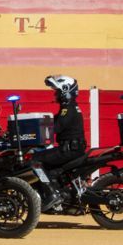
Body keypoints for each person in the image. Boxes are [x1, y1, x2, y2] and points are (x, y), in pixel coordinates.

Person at [31, 75, 88, 209]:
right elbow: (54, 122)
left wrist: (33, 134)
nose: (55, 93)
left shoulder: (67, 109)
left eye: (57, 90)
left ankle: (51, 194)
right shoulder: (70, 107)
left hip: (68, 150)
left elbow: (56, 127)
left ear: (65, 90)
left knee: (34, 160)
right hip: (73, 148)